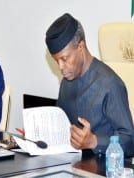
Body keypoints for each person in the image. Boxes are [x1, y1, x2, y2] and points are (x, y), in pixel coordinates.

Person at [45, 13, 134, 156]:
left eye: (65, 58)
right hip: (71, 164)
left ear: (81, 46)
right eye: (57, 61)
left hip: (103, 169)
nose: (61, 67)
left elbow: (130, 141)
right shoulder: (67, 81)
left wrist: (93, 141)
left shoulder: (110, 84)